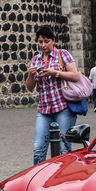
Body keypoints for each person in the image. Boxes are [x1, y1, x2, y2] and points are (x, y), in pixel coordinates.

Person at [26, 25, 80, 165]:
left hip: (63, 107)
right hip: (44, 109)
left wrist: (54, 72)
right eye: (40, 42)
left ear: (53, 40)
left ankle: (65, 180)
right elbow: (30, 87)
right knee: (38, 149)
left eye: (46, 41)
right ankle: (39, 181)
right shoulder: (36, 60)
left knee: (64, 149)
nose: (43, 45)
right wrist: (31, 75)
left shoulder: (63, 55)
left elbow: (75, 76)